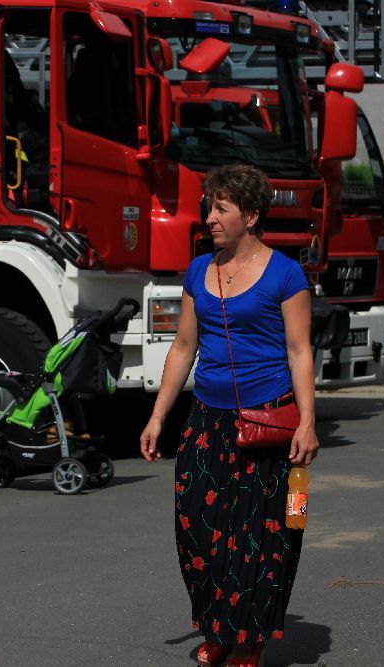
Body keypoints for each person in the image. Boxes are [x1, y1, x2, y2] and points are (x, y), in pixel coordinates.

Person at [139, 164, 318, 666]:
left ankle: (248, 638)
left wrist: (307, 422)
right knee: (195, 525)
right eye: (209, 206)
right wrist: (158, 416)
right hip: (207, 420)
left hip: (269, 422)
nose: (210, 216)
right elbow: (183, 346)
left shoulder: (286, 273)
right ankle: (218, 622)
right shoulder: (199, 269)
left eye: (221, 208)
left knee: (266, 533)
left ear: (252, 214)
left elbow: (300, 351)